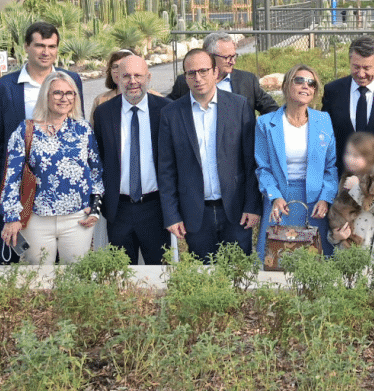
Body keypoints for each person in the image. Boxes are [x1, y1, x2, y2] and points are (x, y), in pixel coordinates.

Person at [0, 21, 84, 264]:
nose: (46, 52)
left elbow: (77, 127)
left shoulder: (71, 80)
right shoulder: (4, 87)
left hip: (62, 187)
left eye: (52, 46)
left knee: (66, 259)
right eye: (40, 45)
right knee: (18, 255)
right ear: (26, 47)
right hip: (22, 184)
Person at [158, 48, 260, 261]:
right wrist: (172, 215)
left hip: (236, 211)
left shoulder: (239, 106)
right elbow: (166, 170)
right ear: (185, 77)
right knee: (202, 274)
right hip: (196, 214)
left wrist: (252, 206)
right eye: (191, 73)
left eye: (203, 71)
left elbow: (251, 162)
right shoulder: (171, 114)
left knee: (238, 272)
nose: (198, 78)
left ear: (215, 72)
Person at [0, 72, 103, 265]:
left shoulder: (83, 129)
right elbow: (11, 177)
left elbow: (96, 171)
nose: (64, 98)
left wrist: (95, 207)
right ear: (45, 96)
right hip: (36, 219)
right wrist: (12, 217)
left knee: (74, 275)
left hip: (77, 219)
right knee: (39, 276)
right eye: (57, 93)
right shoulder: (26, 130)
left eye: (69, 93)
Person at [92, 54, 170, 264]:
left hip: (156, 209)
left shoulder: (166, 110)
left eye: (138, 75)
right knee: (121, 273)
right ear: (117, 78)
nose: (132, 81)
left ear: (148, 77)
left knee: (160, 271)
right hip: (119, 210)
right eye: (126, 76)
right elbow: (99, 159)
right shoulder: (104, 113)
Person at [255, 64, 338, 260]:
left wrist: (325, 198)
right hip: (279, 201)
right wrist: (275, 196)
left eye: (311, 83)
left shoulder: (323, 120)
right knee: (276, 260)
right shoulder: (265, 123)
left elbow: (330, 167)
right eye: (299, 80)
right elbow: (263, 168)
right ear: (286, 85)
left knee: (316, 260)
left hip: (315, 203)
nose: (305, 86)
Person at [321, 35, 374, 176]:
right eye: (356, 67)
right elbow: (325, 136)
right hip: (342, 179)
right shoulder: (333, 91)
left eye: (367, 68)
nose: (361, 74)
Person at [168, 32, 277, 116]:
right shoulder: (185, 82)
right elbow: (168, 109)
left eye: (234, 56)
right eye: (227, 57)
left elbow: (272, 109)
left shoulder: (246, 81)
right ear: (209, 56)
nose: (232, 62)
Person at [328, 131, 374, 261]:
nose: (350, 159)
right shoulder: (345, 180)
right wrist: (335, 237)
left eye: (356, 156)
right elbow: (336, 214)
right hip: (346, 256)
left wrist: (356, 189)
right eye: (348, 154)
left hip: (372, 256)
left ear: (373, 158)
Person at [89, 49, 135, 119]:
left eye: (124, 65)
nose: (119, 70)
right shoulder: (100, 100)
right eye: (115, 67)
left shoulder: (152, 99)